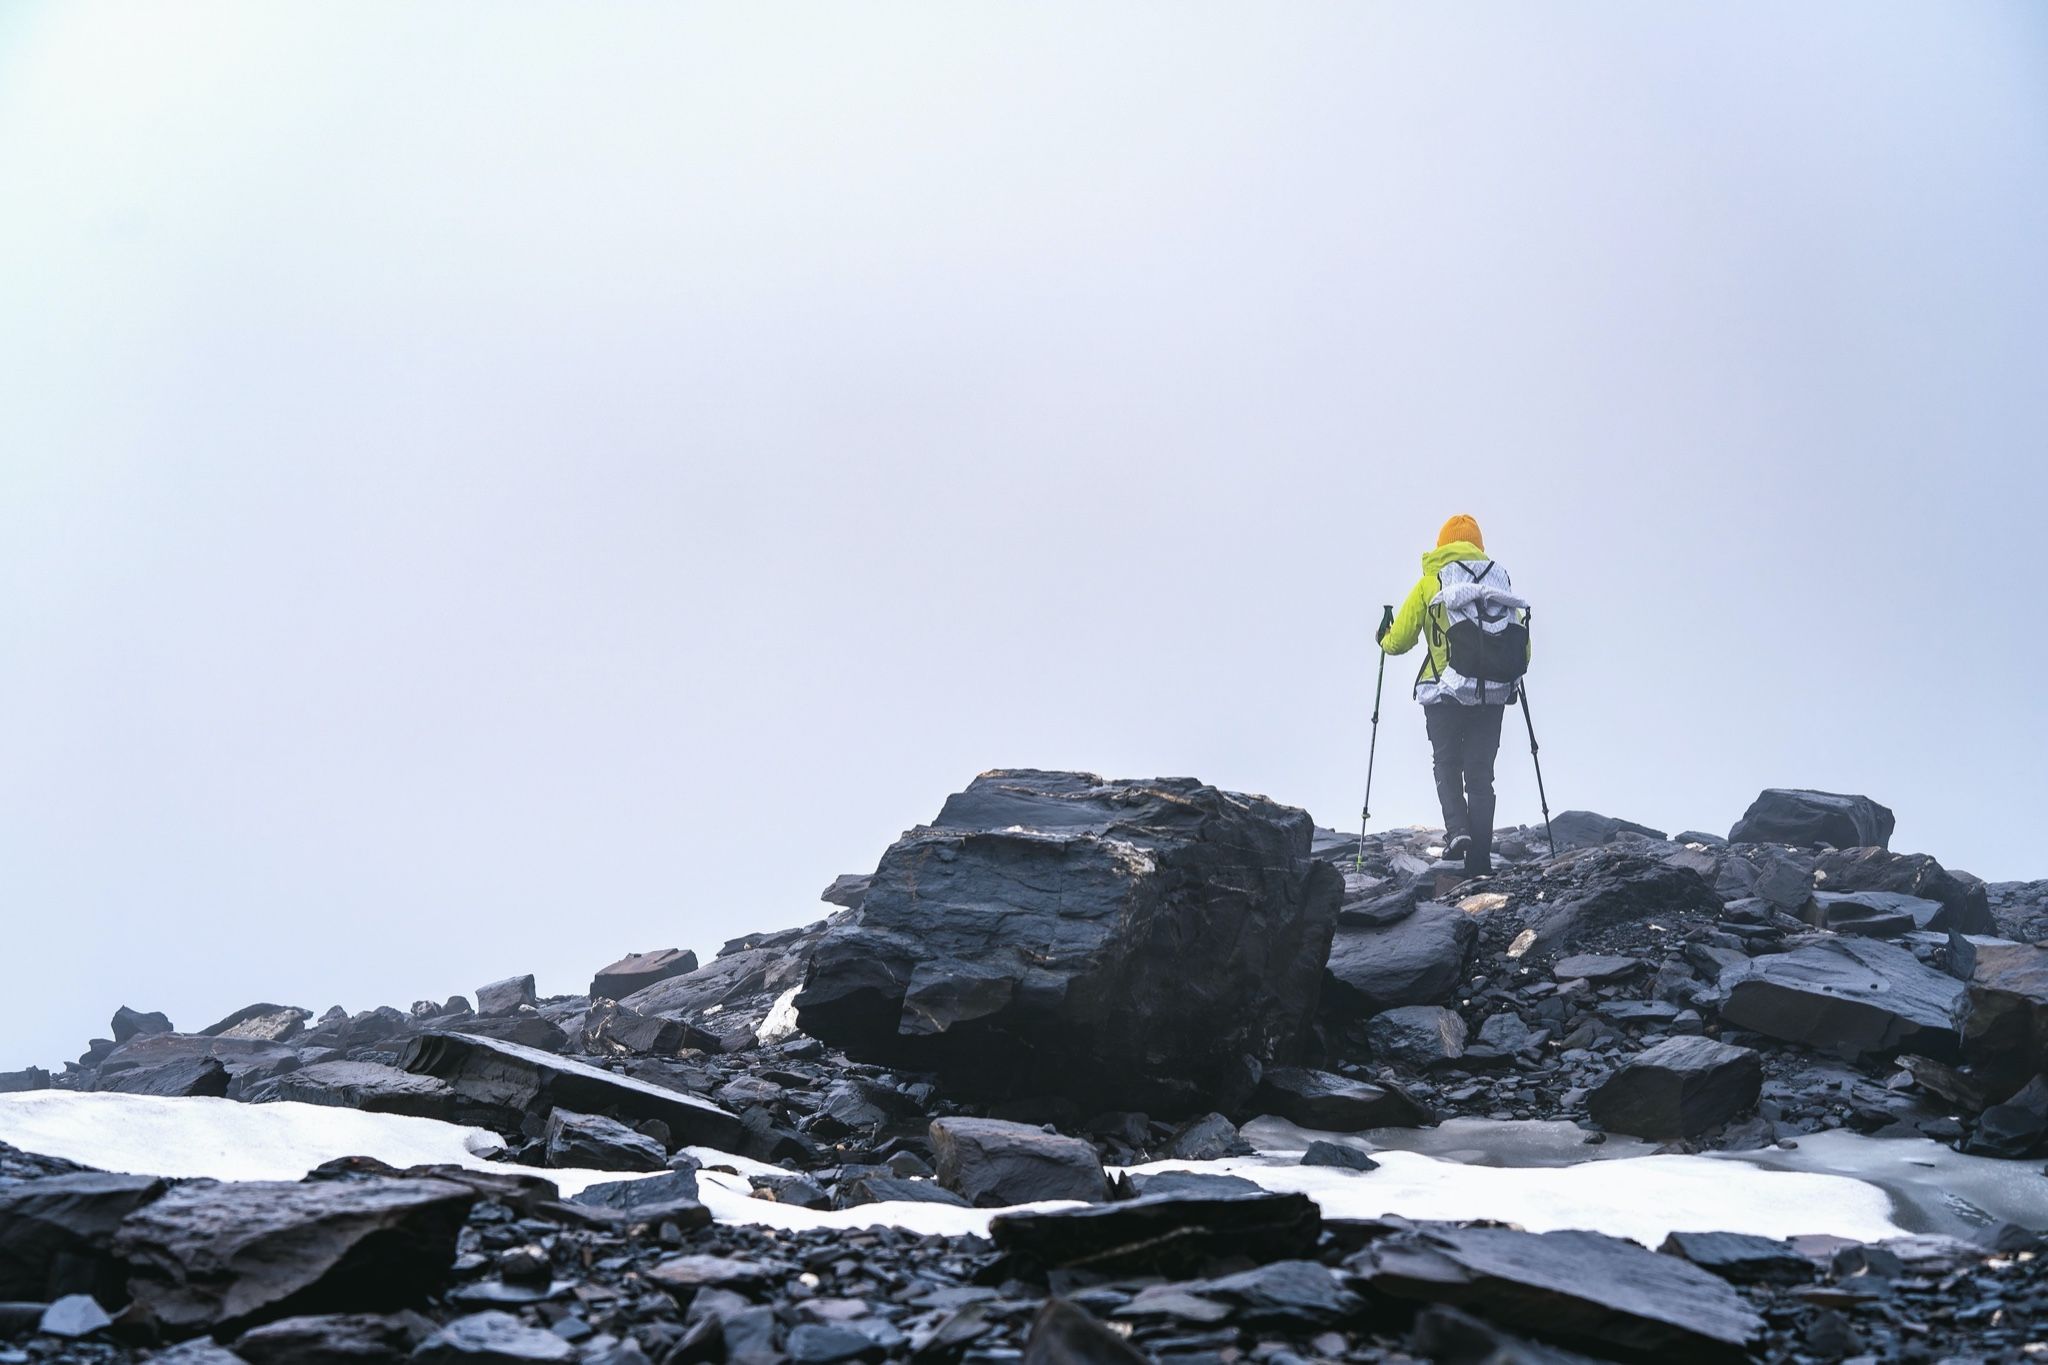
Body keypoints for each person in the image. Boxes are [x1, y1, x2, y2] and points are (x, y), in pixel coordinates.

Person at [1376, 514, 1526, 878]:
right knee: (1481, 775)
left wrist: (1383, 636)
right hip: (1491, 694)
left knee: (1446, 762)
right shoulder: (1499, 581)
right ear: (1478, 545)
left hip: (1442, 693)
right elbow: (1521, 646)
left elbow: (1400, 641)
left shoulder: (1431, 582)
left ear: (1442, 544)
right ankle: (1481, 865)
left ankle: (1458, 833)